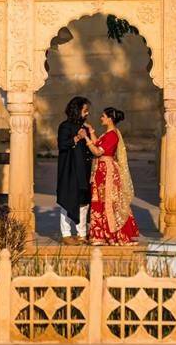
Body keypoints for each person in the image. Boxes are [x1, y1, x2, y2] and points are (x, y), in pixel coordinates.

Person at [85, 107, 140, 246]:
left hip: (107, 172)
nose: (101, 118)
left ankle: (112, 235)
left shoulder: (112, 135)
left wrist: (85, 138)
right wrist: (91, 131)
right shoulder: (108, 134)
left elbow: (97, 152)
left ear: (110, 119)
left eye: (103, 116)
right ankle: (100, 235)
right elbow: (98, 144)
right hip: (101, 171)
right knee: (101, 201)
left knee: (109, 202)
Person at [56, 96, 92, 245]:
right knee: (68, 200)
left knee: (84, 201)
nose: (87, 113)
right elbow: (62, 145)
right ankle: (66, 234)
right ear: (77, 111)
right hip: (70, 170)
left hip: (84, 169)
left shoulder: (85, 127)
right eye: (85, 110)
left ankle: (81, 233)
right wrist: (77, 137)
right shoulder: (65, 126)